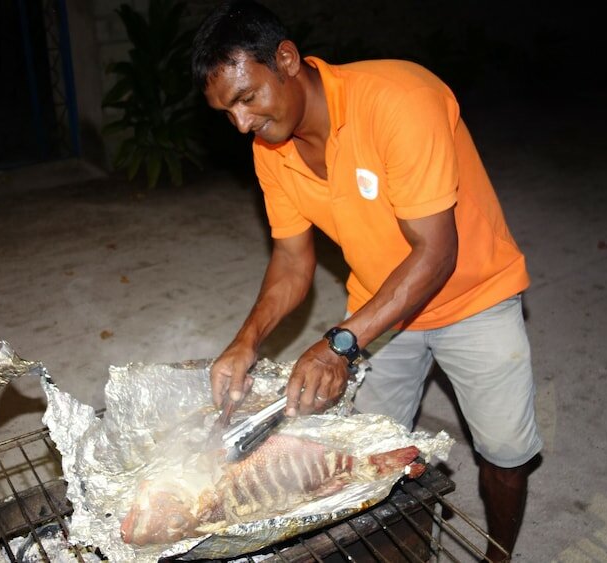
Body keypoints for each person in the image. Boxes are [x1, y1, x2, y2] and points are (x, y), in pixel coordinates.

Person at [192, 2, 542, 560]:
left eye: (246, 98)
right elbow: (290, 260)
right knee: (365, 454)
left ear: (285, 60)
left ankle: (498, 556)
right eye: (225, 112)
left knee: (504, 453)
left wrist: (339, 344)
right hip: (380, 307)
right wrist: (245, 341)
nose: (240, 123)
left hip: (475, 296)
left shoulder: (398, 101)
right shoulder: (270, 149)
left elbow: (436, 254)